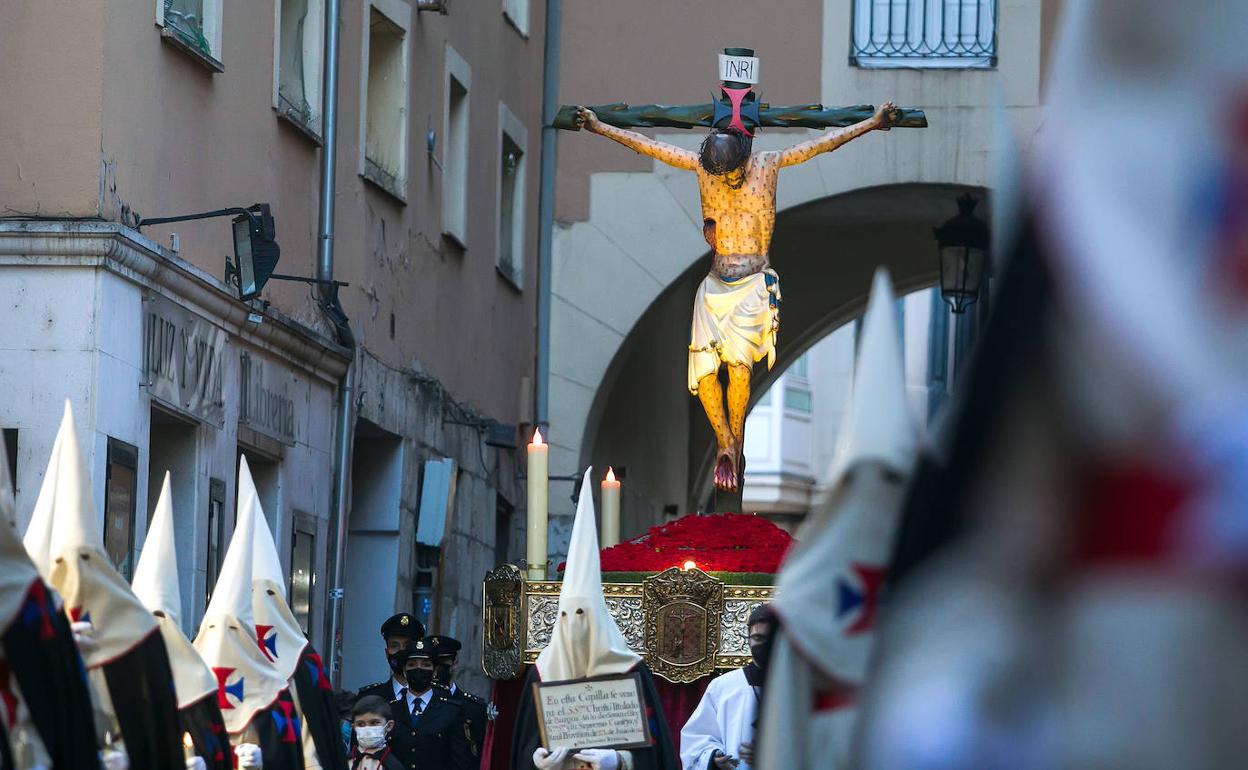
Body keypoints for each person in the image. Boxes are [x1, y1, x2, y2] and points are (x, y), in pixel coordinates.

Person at [573, 99, 899, 492]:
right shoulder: (702, 167)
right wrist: (598, 128)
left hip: (753, 282)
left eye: (730, 173)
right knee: (705, 371)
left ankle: (734, 443)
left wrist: (873, 123)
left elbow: (823, 144)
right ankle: (726, 441)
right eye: (719, 174)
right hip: (715, 283)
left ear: (744, 161)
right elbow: (649, 147)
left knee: (740, 365)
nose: (724, 181)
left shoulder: (770, 164)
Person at [512, 468, 678, 770]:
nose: (574, 625)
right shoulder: (544, 671)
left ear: (599, 617)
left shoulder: (629, 671)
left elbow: (656, 754)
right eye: (566, 616)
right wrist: (535, 761)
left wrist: (620, 760)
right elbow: (524, 747)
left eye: (582, 614)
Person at [679, 606, 774, 770]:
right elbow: (696, 740)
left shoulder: (802, 686)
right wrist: (714, 758)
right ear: (748, 639)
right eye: (758, 638)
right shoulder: (723, 687)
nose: (763, 645)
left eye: (770, 639)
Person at [387, 640, 475, 770]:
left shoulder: (452, 711)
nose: (419, 669)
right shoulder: (390, 710)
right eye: (412, 664)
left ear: (434, 672)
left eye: (426, 665)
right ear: (405, 672)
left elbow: (460, 762)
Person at [427, 635, 489, 754]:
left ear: (455, 663)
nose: (437, 669)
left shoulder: (474, 708)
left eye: (443, 661)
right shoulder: (415, 704)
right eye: (431, 663)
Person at [356, 613, 427, 704]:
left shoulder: (437, 697)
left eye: (408, 645)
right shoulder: (370, 698)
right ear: (386, 653)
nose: (401, 651)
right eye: (394, 646)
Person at [348, 696, 403, 770]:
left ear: (389, 726)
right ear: (354, 727)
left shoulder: (393, 765)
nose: (367, 730)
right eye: (361, 724)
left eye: (374, 723)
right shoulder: (344, 762)